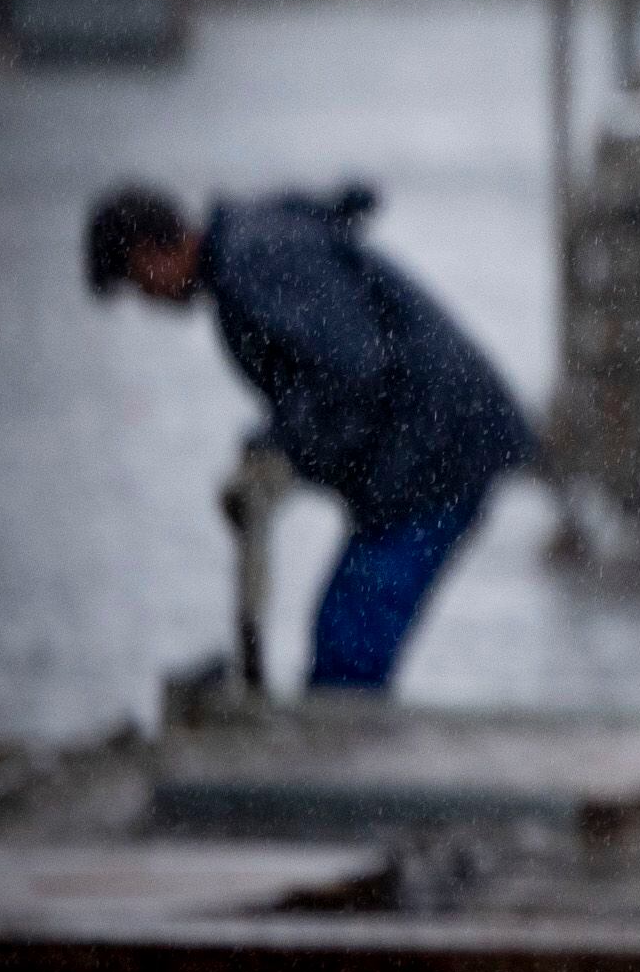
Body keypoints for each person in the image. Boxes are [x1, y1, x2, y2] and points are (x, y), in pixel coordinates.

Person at [83, 181, 532, 695]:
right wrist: (276, 448)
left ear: (149, 252)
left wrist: (277, 447)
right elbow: (333, 379)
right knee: (342, 636)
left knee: (348, 652)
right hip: (422, 457)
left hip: (439, 454)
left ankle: (337, 766)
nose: (148, 302)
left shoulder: (254, 262)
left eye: (139, 284)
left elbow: (355, 368)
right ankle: (345, 759)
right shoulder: (250, 252)